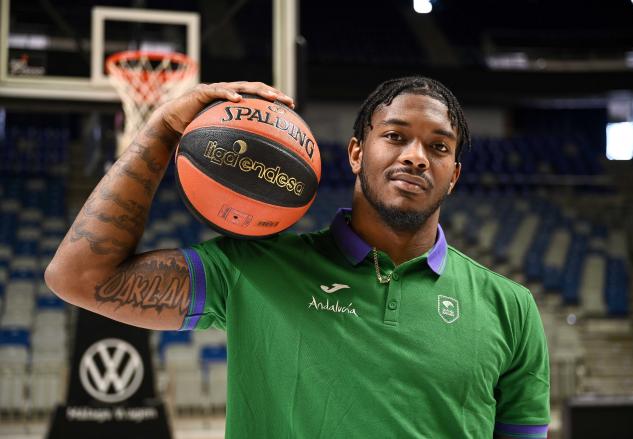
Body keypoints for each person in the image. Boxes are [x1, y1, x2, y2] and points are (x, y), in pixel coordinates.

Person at [46, 77, 550, 438]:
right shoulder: (257, 266)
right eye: (395, 136)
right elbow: (81, 277)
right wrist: (160, 130)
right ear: (356, 153)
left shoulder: (510, 307)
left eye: (438, 147)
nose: (416, 155)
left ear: (454, 174)